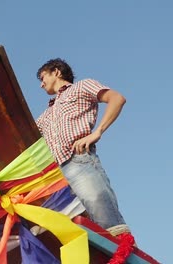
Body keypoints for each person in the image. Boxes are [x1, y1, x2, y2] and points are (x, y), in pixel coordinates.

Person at [35, 58, 131, 236]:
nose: (41, 85)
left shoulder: (81, 86)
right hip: (55, 177)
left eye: (42, 78)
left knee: (106, 221)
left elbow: (117, 99)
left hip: (79, 162)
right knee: (64, 231)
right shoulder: (45, 115)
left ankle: (123, 256)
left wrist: (97, 132)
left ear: (56, 72)